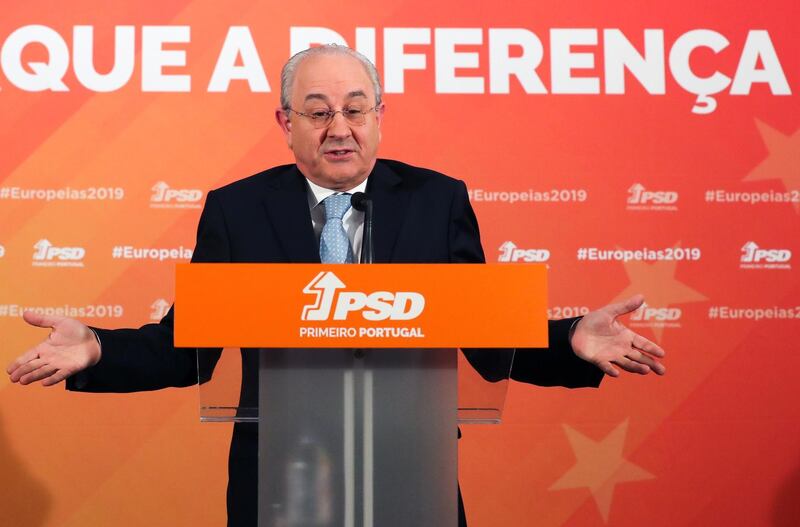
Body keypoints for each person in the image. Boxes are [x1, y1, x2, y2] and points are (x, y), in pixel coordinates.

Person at [7, 44, 666, 526]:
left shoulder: (438, 202)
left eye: (355, 109)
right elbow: (189, 347)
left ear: (379, 115)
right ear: (285, 123)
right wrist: (96, 347)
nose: (339, 128)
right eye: (317, 112)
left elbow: (488, 339)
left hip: (411, 477)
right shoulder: (238, 210)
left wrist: (570, 339)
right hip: (281, 483)